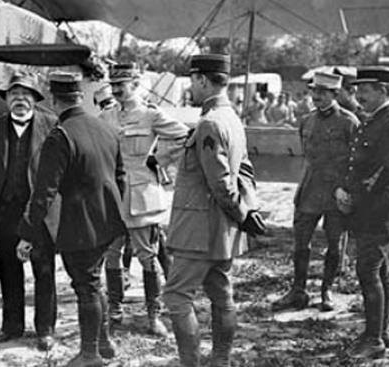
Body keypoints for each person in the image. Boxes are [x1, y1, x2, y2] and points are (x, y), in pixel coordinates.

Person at [17, 71, 127, 367]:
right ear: (79, 96)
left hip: (80, 224)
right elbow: (121, 178)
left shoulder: (60, 136)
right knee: (95, 282)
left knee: (86, 287)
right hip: (108, 221)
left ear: (53, 100)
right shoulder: (106, 128)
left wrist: (27, 233)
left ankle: (89, 355)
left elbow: (44, 193)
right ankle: (104, 343)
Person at [162, 54, 263, 367]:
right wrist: (248, 210)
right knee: (221, 293)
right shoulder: (231, 118)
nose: (191, 86)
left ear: (203, 80)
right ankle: (220, 360)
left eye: (193, 80)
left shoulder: (209, 123)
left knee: (177, 297)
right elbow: (244, 171)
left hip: (199, 230)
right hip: (219, 231)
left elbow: (221, 185)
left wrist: (241, 213)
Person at [97, 63, 191, 336]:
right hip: (114, 197)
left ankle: (154, 315)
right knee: (112, 256)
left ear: (136, 85)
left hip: (142, 196)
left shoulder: (151, 114)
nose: (116, 91)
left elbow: (184, 135)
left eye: (121, 85)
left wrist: (158, 159)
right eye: (113, 86)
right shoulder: (106, 116)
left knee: (148, 257)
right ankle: (115, 311)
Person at [0, 72, 60, 350]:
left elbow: (61, 169)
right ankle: (12, 327)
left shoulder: (52, 125)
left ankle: (45, 329)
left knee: (43, 270)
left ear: (35, 99)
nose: (19, 99)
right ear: (7, 99)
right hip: (5, 211)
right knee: (9, 270)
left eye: (25, 95)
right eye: (14, 94)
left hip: (40, 212)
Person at [337, 66, 389, 359]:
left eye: (365, 90)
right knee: (378, 272)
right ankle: (381, 331)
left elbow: (385, 171)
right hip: (368, 208)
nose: (359, 95)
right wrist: (343, 189)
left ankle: (374, 340)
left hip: (378, 210)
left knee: (367, 271)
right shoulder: (372, 121)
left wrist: (354, 197)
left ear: (384, 91)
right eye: (357, 90)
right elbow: (356, 163)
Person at [273, 72, 360, 312]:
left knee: (334, 243)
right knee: (301, 242)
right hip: (310, 189)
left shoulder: (349, 122)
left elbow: (356, 161)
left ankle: (326, 291)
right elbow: (306, 154)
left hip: (336, 191)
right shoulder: (306, 120)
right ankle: (297, 290)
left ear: (335, 94)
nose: (316, 96)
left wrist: (348, 190)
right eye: (314, 91)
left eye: (323, 92)